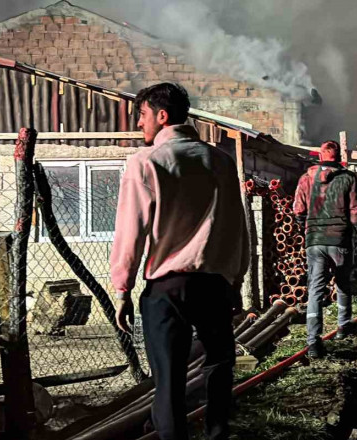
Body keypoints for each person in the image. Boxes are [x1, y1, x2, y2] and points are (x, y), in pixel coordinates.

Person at [111, 83, 248, 440]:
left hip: (168, 289)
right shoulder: (220, 161)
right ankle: (218, 434)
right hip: (216, 284)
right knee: (219, 367)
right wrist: (235, 279)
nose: (138, 125)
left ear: (162, 115)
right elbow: (237, 225)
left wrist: (122, 288)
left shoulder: (145, 163)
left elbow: (131, 232)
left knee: (169, 381)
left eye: (141, 116)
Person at [293, 140, 357, 359]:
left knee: (315, 289)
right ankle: (343, 327)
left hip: (314, 241)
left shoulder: (306, 178)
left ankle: (313, 342)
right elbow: (355, 211)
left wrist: (305, 227)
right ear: (338, 158)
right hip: (339, 240)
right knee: (343, 281)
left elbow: (298, 209)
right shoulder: (348, 178)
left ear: (320, 157)